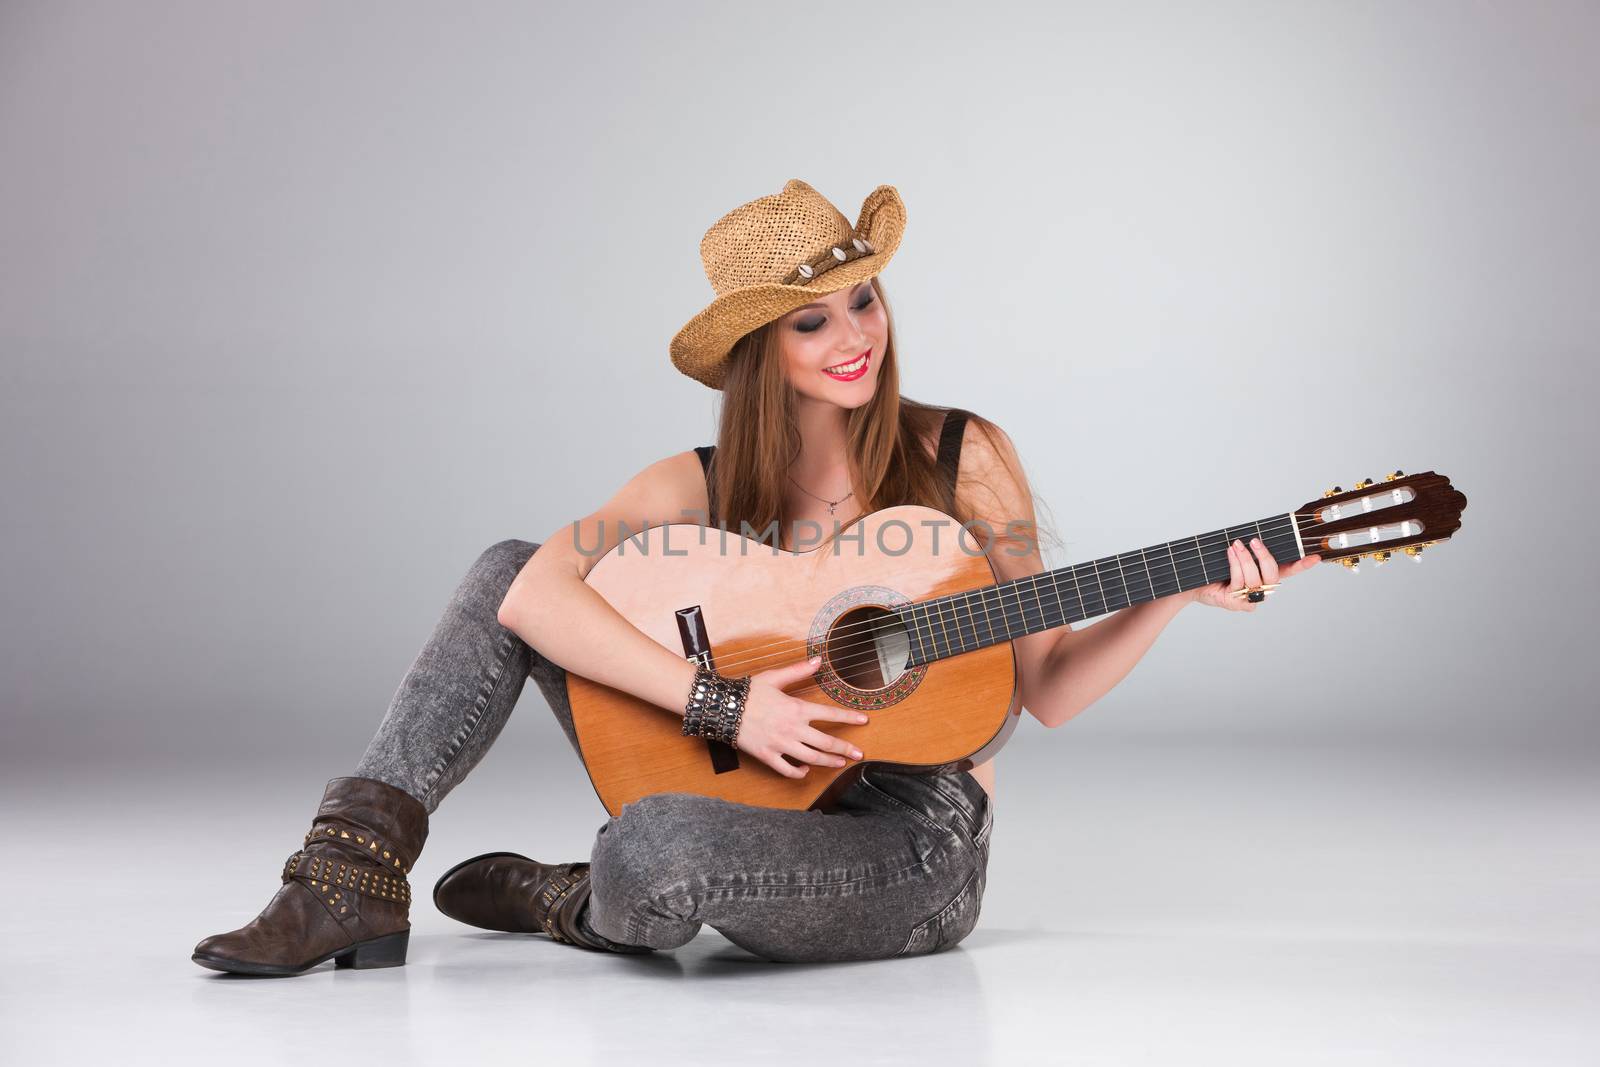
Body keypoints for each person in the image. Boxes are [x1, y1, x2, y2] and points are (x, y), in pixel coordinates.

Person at [191, 178, 1321, 976]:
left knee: (650, 852)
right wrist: (724, 703)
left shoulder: (959, 455)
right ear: (757, 354)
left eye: (865, 300)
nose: (853, 336)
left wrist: (1174, 587)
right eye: (810, 319)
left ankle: (576, 898)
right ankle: (351, 871)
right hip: (720, 755)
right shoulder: (697, 480)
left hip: (906, 840)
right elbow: (524, 595)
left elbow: (1052, 690)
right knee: (510, 560)